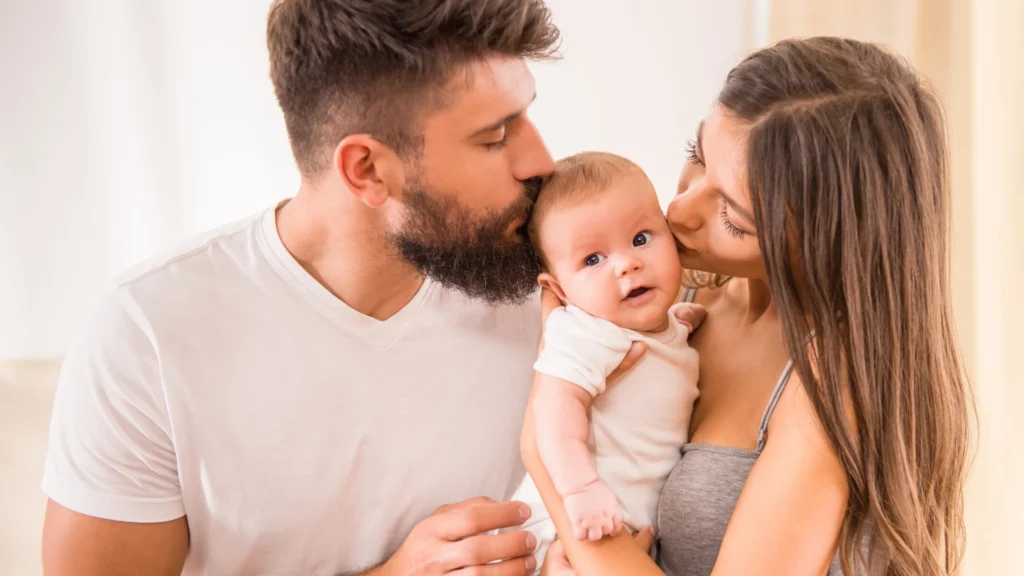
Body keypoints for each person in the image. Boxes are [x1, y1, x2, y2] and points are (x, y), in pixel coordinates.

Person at [39, 1, 624, 575]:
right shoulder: (149, 335)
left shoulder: (548, 280)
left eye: (525, 116)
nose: (542, 162)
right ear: (366, 169)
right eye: (496, 137)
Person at [524, 37, 972, 576]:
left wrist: (576, 520)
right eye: (697, 156)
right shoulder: (673, 298)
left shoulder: (836, 383)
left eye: (733, 216)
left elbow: (545, 441)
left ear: (825, 240)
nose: (680, 209)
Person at [512, 152, 704, 566]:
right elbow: (554, 407)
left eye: (641, 238)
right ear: (559, 290)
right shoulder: (585, 332)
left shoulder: (649, 325)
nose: (626, 264)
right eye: (592, 259)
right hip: (563, 524)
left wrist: (678, 323)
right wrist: (580, 489)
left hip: (618, 531)